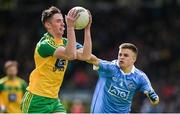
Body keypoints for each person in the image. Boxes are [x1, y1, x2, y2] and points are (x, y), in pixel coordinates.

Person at [21, 6, 92, 113]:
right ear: (48, 25)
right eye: (58, 21)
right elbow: (70, 55)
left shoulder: (65, 42)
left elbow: (86, 55)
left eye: (63, 21)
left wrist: (87, 29)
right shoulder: (45, 44)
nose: (63, 23)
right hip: (36, 99)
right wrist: (71, 27)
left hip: (54, 100)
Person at [87, 43, 159, 113]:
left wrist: (153, 98)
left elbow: (155, 100)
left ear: (134, 59)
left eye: (126, 55)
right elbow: (93, 59)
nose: (121, 57)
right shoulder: (110, 68)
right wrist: (79, 48)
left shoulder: (140, 77)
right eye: (120, 54)